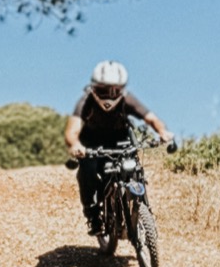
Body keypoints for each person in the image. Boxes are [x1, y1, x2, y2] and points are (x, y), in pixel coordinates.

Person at [65, 60, 173, 235]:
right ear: (93, 88)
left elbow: (151, 118)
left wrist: (163, 132)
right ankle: (93, 216)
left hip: (120, 142)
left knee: (135, 168)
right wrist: (76, 145)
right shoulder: (85, 102)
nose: (109, 94)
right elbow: (72, 130)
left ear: (122, 89)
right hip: (91, 144)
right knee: (87, 170)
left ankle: (143, 209)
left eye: (115, 90)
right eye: (103, 89)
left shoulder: (127, 100)